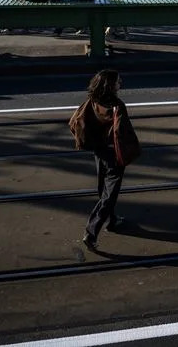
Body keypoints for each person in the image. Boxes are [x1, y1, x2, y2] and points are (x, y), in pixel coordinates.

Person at [70, 70, 135, 251]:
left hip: (99, 152)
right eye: (118, 82)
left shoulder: (93, 101)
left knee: (103, 189)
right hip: (114, 154)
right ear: (111, 85)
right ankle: (91, 233)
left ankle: (112, 220)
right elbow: (123, 133)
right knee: (109, 194)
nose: (120, 84)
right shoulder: (117, 106)